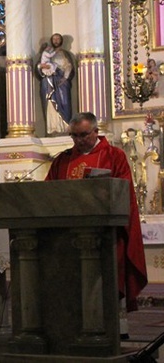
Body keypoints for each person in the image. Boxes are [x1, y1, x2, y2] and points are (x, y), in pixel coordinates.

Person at [46, 112, 147, 313]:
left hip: (106, 234)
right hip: (69, 234)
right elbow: (49, 191)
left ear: (96, 131)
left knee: (109, 279)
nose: (79, 141)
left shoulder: (113, 156)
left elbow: (124, 191)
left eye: (83, 135)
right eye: (74, 136)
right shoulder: (62, 160)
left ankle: (116, 325)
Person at [36, 33, 74, 136]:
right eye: (54, 39)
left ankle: (65, 127)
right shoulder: (47, 53)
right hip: (48, 82)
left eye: (58, 39)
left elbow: (69, 67)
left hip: (62, 83)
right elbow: (39, 67)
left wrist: (64, 78)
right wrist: (41, 67)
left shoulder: (65, 54)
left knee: (65, 103)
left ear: (61, 41)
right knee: (50, 104)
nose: (56, 41)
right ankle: (53, 128)